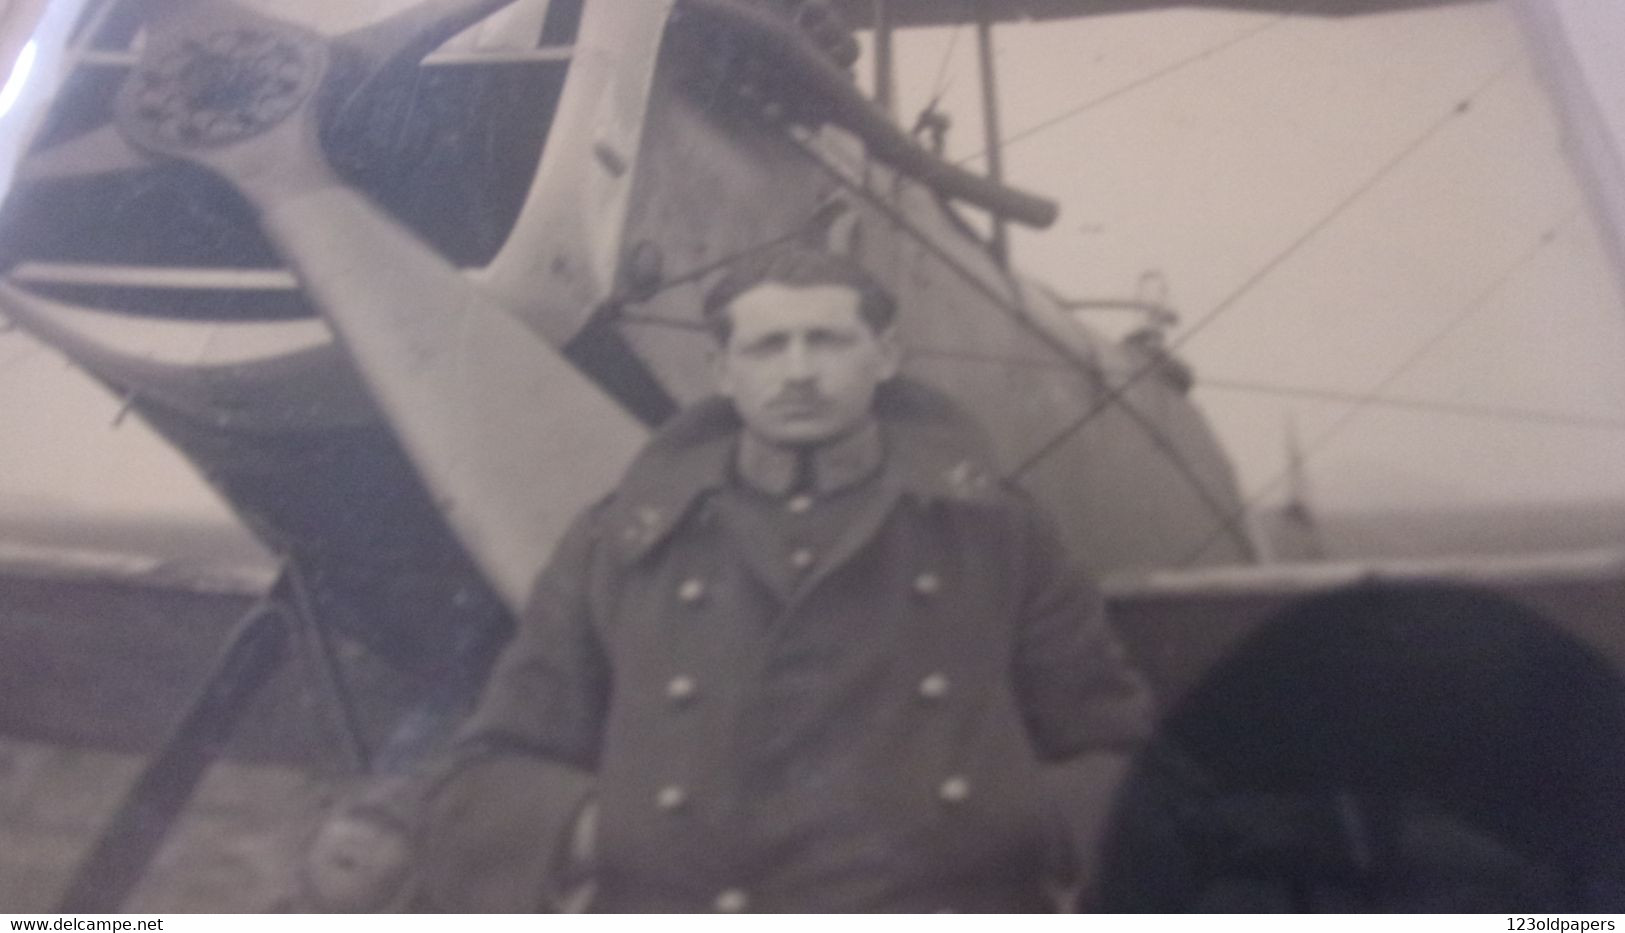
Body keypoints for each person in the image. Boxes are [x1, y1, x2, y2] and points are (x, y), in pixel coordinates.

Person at [419, 246, 1154, 912]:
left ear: (886, 354)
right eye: (767, 346)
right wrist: (603, 831)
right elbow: (494, 766)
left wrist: (1008, 822)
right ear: (723, 372)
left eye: (828, 340)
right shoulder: (621, 540)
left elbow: (1114, 747)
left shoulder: (994, 530)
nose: (798, 371)